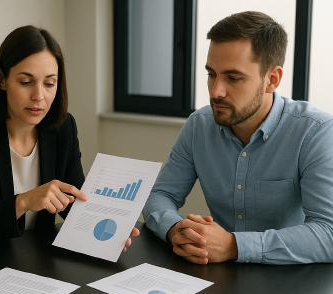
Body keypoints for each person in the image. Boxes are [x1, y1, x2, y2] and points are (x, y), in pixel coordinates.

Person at [143, 11, 333, 265]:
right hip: (218, 276)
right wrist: (176, 230)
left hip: (292, 283)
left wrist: (234, 246)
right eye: (212, 74)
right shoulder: (199, 125)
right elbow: (160, 194)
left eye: (233, 78)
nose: (216, 91)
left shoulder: (316, 131)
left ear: (272, 79)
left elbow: (328, 232)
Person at [0, 25, 139, 250]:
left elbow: (73, 201)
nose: (39, 96)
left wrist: (107, 225)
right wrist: (23, 201)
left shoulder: (64, 127)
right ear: (2, 79)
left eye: (49, 83)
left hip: (41, 261)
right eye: (26, 82)